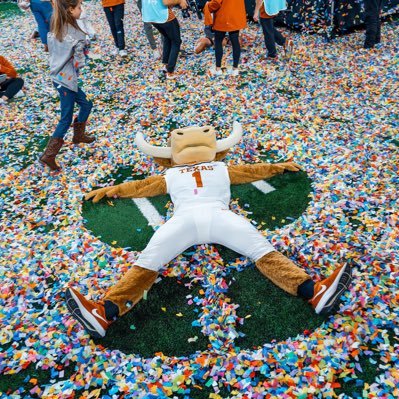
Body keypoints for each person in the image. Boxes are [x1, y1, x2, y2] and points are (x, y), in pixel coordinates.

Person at [64, 122, 352, 338]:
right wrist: (114, 189)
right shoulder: (181, 172)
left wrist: (277, 167)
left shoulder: (203, 169)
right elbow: (141, 187)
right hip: (210, 219)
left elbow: (254, 171)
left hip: (193, 220)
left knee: (260, 251)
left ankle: (315, 292)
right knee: (257, 251)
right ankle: (104, 314)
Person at [39, 0, 95, 172]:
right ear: (70, 10)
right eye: (79, 7)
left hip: (59, 76)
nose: (81, 10)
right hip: (66, 81)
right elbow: (79, 63)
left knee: (86, 104)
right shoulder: (77, 34)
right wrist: (84, 51)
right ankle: (49, 155)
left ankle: (78, 135)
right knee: (66, 117)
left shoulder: (57, 24)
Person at [142, 0, 188, 80]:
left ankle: (165, 64)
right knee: (176, 41)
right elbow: (166, 2)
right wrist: (180, 1)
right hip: (162, 15)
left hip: (149, 15)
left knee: (167, 37)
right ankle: (170, 71)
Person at [206, 0, 247, 76]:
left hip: (223, 15)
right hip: (235, 15)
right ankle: (235, 69)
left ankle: (218, 69)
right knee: (235, 41)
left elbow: (216, 2)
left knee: (218, 41)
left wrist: (208, 6)